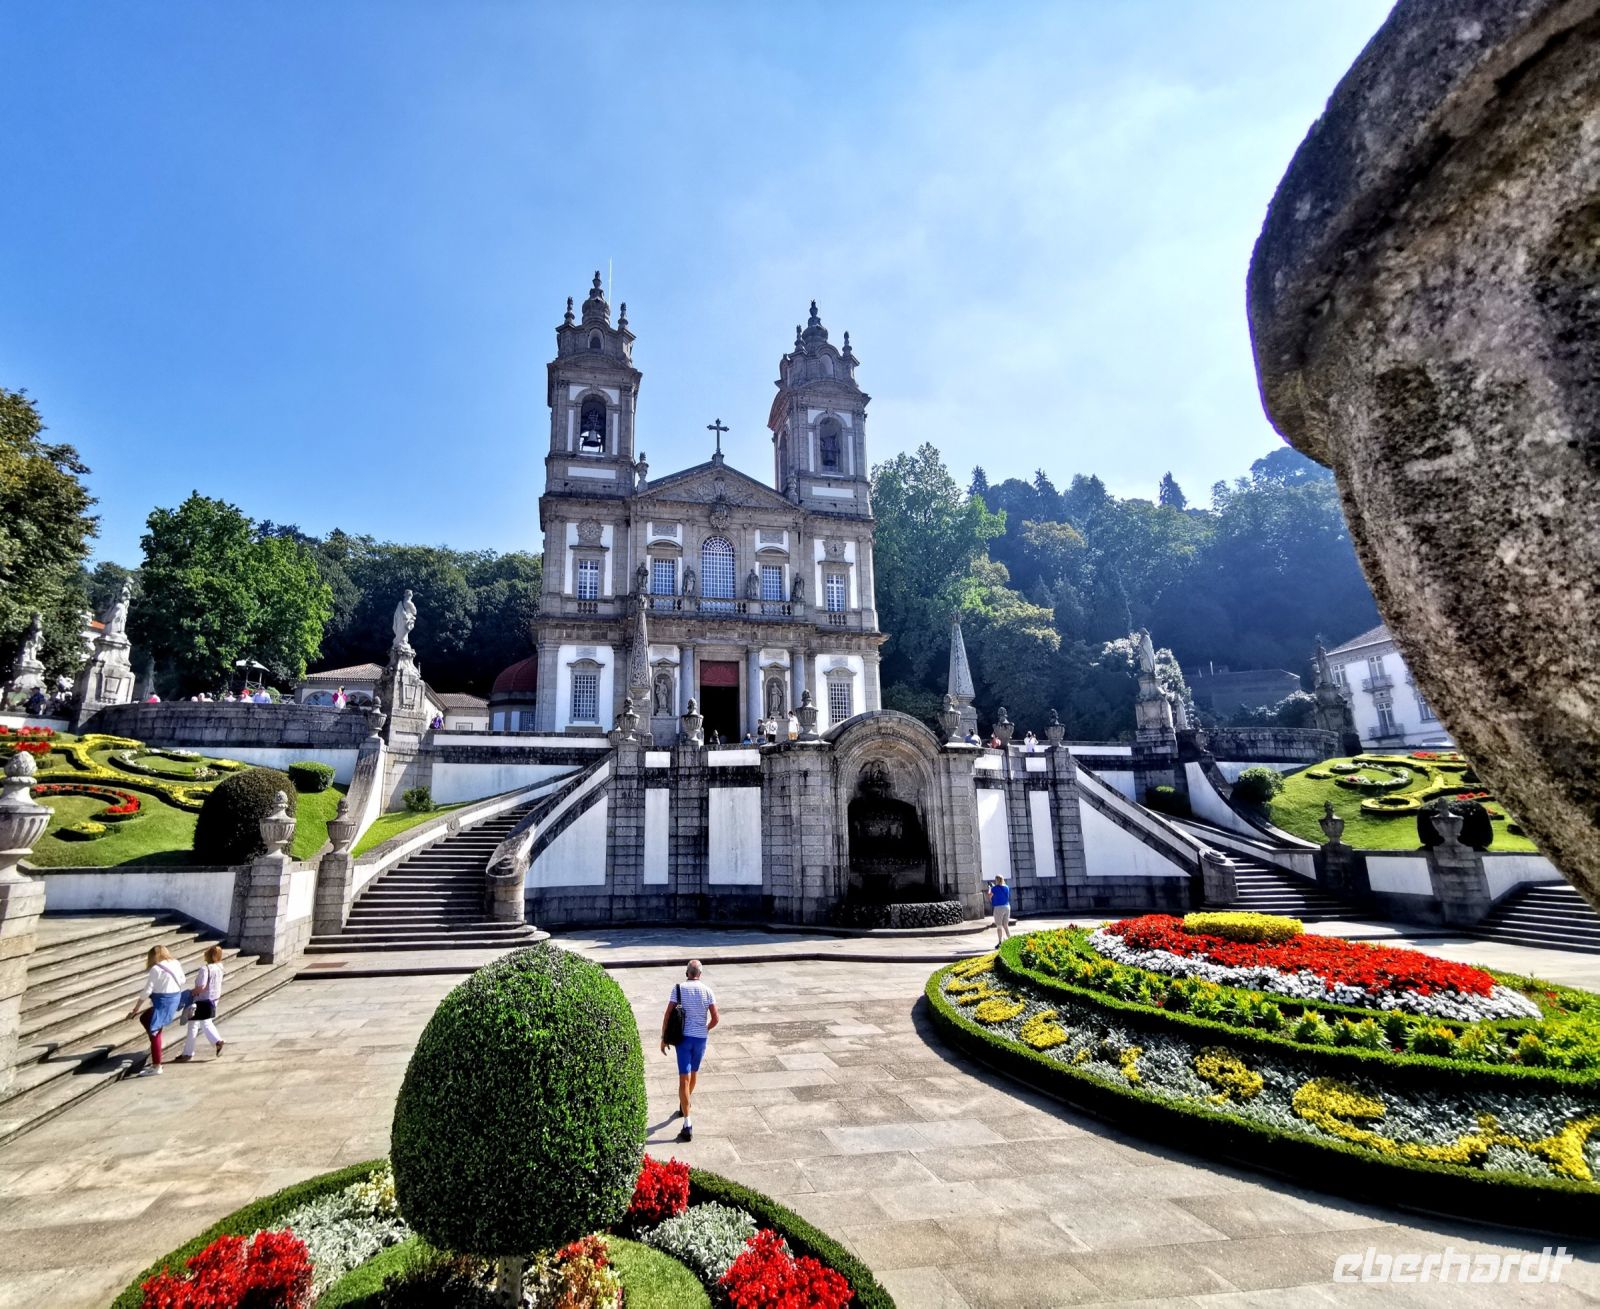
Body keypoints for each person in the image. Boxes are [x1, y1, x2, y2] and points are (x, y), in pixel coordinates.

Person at [659, 959, 719, 1143]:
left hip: (683, 1039)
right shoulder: (708, 991)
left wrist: (664, 1038)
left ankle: (687, 1123)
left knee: (683, 1078)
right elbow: (716, 1018)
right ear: (700, 974)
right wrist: (705, 1029)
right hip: (700, 1039)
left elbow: (668, 1014)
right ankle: (685, 1102)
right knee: (693, 1073)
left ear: (687, 973)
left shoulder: (678, 989)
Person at [127, 945, 189, 1076]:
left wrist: (136, 1008)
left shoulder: (156, 969)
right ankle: (155, 1049)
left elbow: (147, 991)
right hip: (174, 998)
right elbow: (183, 980)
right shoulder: (175, 962)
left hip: (162, 1001)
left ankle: (157, 1065)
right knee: (146, 1019)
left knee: (154, 1029)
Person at [174, 945, 226, 1062]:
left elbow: (201, 986)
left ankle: (215, 1042)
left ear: (209, 956)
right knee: (203, 1022)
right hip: (213, 999)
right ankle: (189, 1052)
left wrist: (191, 992)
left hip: (202, 1000)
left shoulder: (205, 969)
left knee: (196, 1024)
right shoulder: (220, 968)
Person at [985, 873, 1012, 946]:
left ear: (996, 880)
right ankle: (1010, 940)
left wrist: (990, 888)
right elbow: (1001, 891)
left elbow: (989, 896)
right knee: (1005, 925)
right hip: (1007, 906)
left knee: (999, 926)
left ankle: (1000, 942)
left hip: (998, 908)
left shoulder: (994, 888)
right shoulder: (1007, 887)